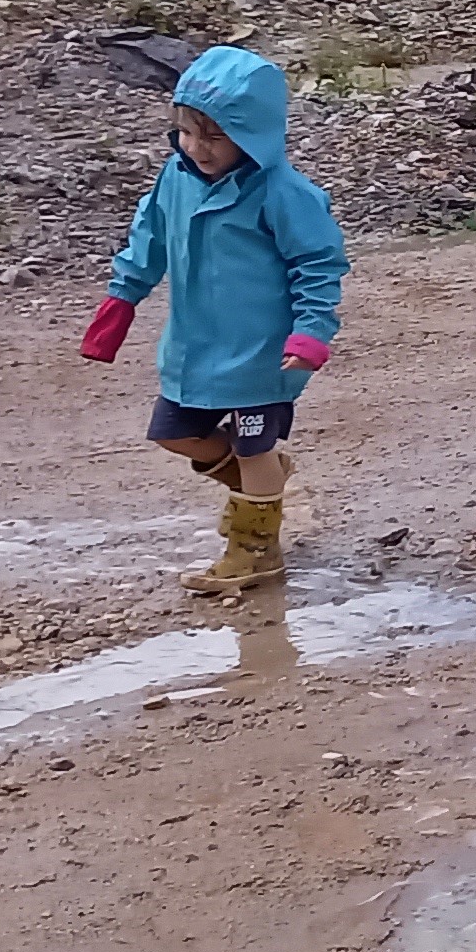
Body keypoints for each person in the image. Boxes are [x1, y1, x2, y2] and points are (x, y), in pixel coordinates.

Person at [78, 45, 349, 598]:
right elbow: (148, 237)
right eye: (186, 131)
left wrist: (311, 332)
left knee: (254, 448)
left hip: (263, 355)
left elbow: (318, 266)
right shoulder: (174, 179)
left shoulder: (284, 194)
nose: (196, 148)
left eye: (215, 136)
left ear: (254, 134)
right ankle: (264, 490)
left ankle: (255, 550)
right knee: (174, 433)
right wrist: (122, 299)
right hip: (195, 346)